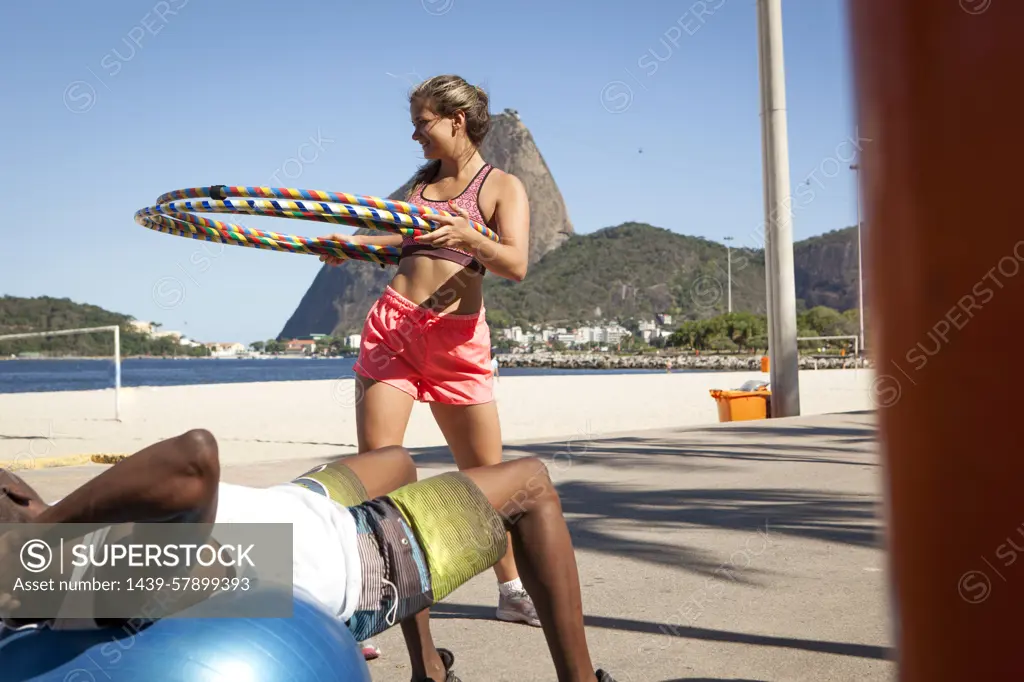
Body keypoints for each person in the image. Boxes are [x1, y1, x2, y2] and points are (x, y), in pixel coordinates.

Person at [0, 429, 617, 682]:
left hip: (294, 503)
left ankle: (427, 667)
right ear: (14, 495)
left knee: (396, 458)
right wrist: (39, 543)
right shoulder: (64, 573)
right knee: (532, 481)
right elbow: (194, 457)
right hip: (356, 557)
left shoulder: (66, 551)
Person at [318, 74, 537, 629]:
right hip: (395, 328)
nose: (415, 134)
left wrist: (468, 235)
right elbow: (402, 240)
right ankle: (363, 606)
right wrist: (351, 246)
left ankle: (511, 589)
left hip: (457, 343)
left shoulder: (501, 187)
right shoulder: (419, 187)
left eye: (423, 122)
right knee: (376, 473)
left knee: (485, 476)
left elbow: (514, 264)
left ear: (456, 120)